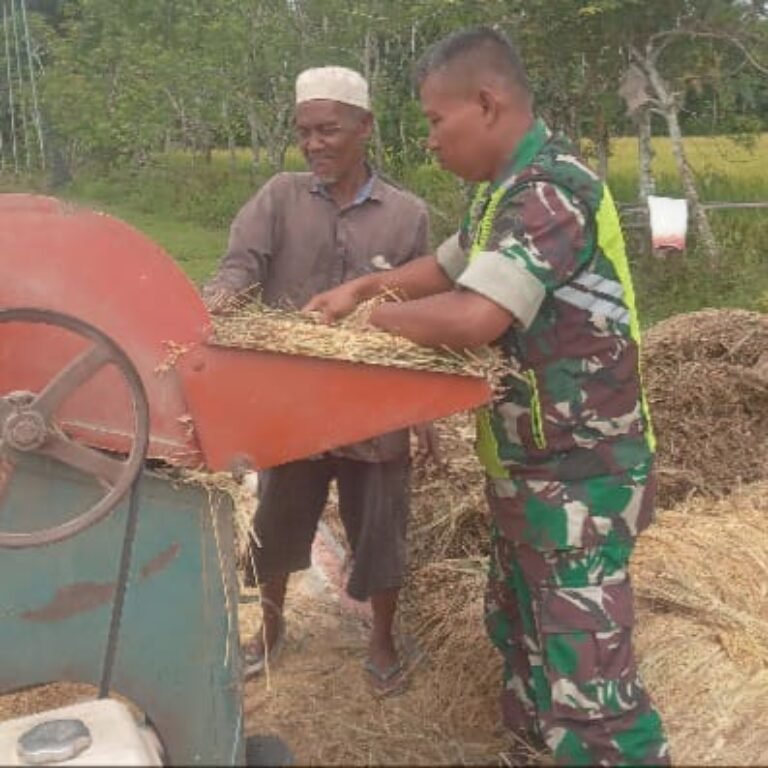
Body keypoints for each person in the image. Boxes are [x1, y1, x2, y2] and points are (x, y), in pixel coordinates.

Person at [305, 28, 669, 767]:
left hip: (581, 479)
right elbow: (443, 271)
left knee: (591, 694)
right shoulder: (497, 195)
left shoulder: (551, 191)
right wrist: (358, 288)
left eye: (438, 121)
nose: (431, 142)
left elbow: (476, 314)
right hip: (532, 469)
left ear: (487, 102)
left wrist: (369, 321)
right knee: (524, 642)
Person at [202, 65, 435, 696]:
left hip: (375, 406)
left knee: (381, 527)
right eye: (304, 132)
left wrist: (425, 412)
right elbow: (241, 266)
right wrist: (219, 301)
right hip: (295, 406)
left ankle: (382, 639)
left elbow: (424, 313)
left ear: (365, 128)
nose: (314, 144)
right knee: (277, 520)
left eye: (328, 130)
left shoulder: (407, 216)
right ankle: (271, 628)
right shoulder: (279, 197)